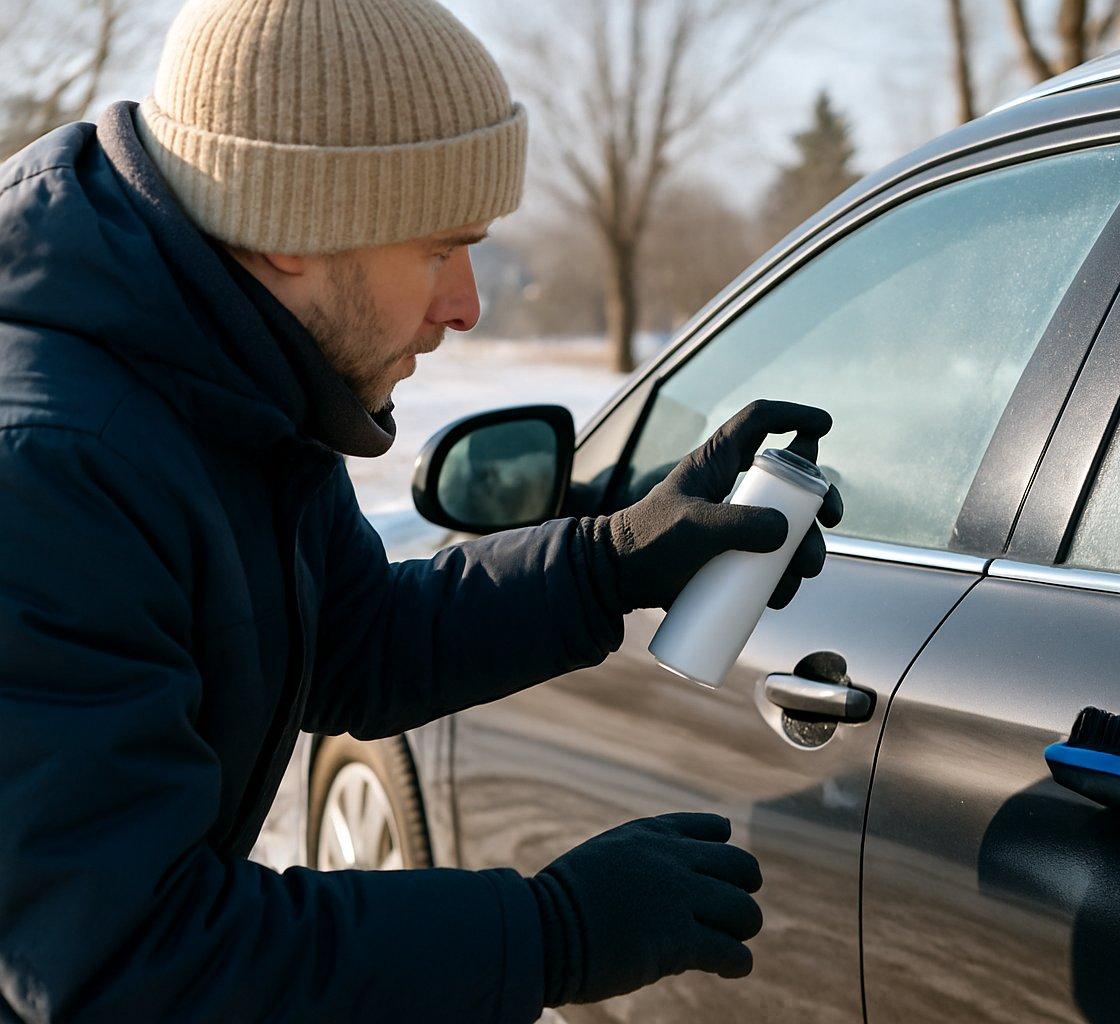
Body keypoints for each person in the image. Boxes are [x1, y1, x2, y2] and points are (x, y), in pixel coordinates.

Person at [0, 0, 843, 1020]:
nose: (468, 305)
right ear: (294, 229)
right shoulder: (50, 471)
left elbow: (351, 641)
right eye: (442, 247)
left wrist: (613, 562)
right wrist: (548, 934)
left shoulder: (230, 373)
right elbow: (124, 962)